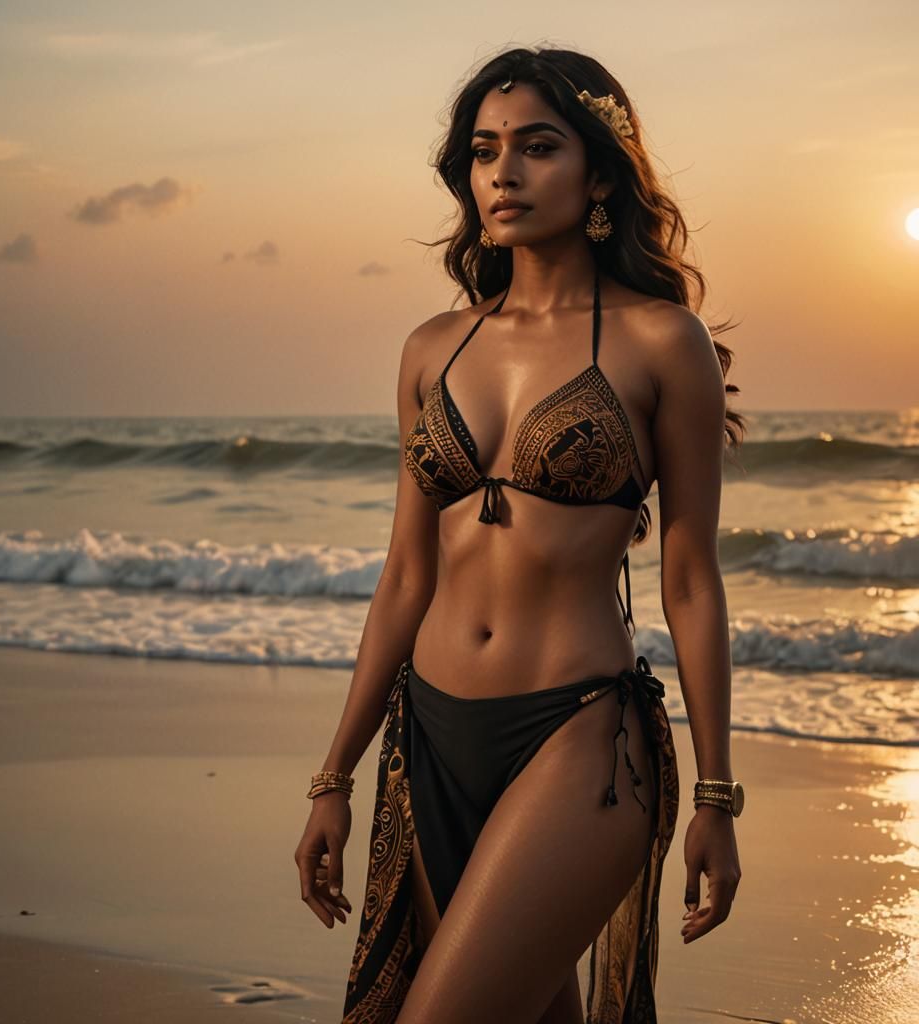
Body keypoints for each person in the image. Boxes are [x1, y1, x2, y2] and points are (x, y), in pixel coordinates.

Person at [295, 45, 746, 1024]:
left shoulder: (662, 343)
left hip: (579, 739)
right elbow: (406, 575)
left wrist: (716, 794)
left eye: (537, 146)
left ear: (597, 167)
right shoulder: (429, 348)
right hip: (430, 739)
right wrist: (333, 774)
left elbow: (692, 581)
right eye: (483, 149)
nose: (502, 171)